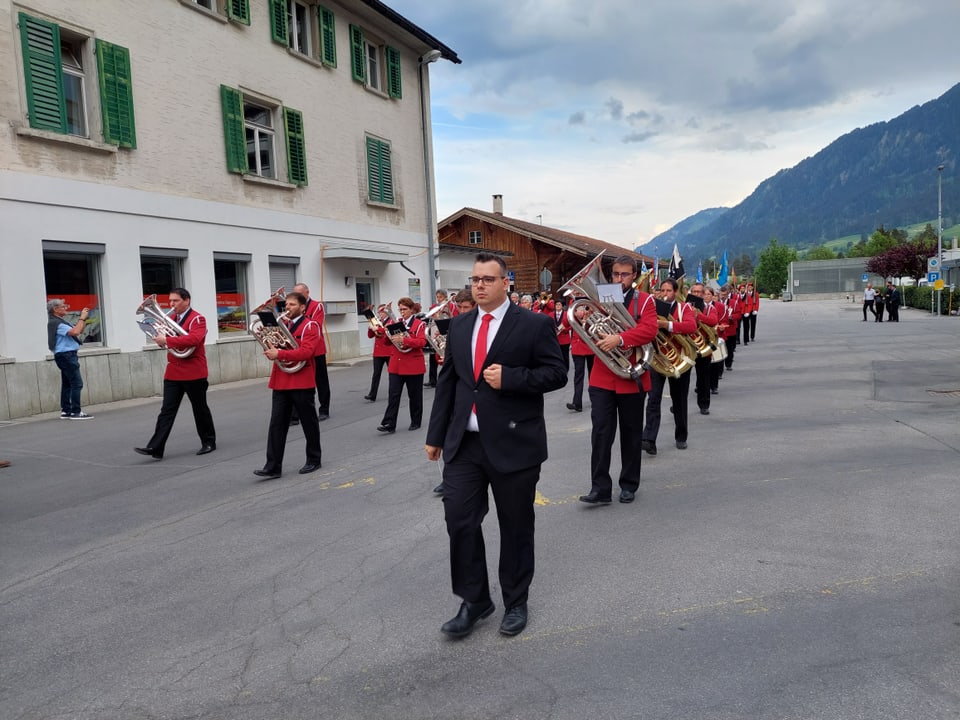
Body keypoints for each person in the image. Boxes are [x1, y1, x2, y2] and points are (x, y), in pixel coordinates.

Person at [425, 252, 567, 639]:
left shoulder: (534, 324)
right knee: (459, 521)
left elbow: (557, 373)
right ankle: (474, 600)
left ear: (507, 283)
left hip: (514, 441)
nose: (480, 285)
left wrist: (513, 378)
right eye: (475, 279)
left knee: (516, 526)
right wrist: (435, 436)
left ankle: (516, 601)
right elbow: (449, 382)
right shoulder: (458, 326)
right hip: (465, 444)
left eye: (488, 279)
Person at [579, 255, 658, 504]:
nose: (618, 279)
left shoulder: (644, 301)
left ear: (634, 276)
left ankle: (628, 484)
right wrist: (585, 321)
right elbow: (590, 334)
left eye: (624, 274)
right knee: (601, 434)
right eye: (615, 274)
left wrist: (620, 339)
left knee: (631, 434)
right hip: (602, 378)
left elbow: (650, 330)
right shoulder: (602, 299)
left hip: (631, 375)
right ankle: (600, 488)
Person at [135, 288, 216, 459]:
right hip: (173, 371)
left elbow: (194, 339)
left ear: (187, 301)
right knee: (166, 411)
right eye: (170, 301)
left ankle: (209, 442)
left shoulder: (197, 318)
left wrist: (168, 340)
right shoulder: (171, 318)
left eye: (176, 301)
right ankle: (155, 447)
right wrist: (160, 340)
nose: (171, 305)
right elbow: (166, 339)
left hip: (194, 371)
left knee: (199, 409)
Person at [253, 292, 323, 479]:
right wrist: (267, 343)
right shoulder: (282, 325)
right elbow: (277, 347)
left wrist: (280, 354)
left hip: (302, 379)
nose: (288, 308)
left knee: (308, 422)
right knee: (277, 424)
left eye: (292, 305)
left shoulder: (311, 325)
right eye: (287, 305)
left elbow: (307, 352)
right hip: (282, 379)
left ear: (302, 307)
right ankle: (273, 466)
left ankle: (314, 459)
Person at [642, 278, 698, 455]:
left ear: (675, 292)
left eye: (668, 291)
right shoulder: (652, 307)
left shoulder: (684, 308)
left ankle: (681, 436)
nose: (664, 294)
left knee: (679, 400)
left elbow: (691, 326)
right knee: (653, 399)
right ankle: (649, 439)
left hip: (680, 359)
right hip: (657, 359)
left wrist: (667, 324)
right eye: (662, 291)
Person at [377, 297, 427, 433]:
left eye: (405, 309)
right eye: (400, 310)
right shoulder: (396, 323)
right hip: (396, 365)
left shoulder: (419, 324)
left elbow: (422, 343)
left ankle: (415, 421)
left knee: (415, 396)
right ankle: (389, 423)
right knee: (393, 395)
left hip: (413, 365)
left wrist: (404, 339)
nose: (402, 312)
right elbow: (387, 344)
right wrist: (388, 334)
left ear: (411, 310)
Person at [46, 299, 93, 420]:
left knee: (67, 384)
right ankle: (76, 412)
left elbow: (80, 330)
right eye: (63, 306)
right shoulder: (57, 323)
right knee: (77, 383)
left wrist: (84, 319)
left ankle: (66, 410)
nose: (66, 308)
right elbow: (76, 331)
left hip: (65, 355)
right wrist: (81, 318)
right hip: (66, 355)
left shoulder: (59, 321)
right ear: (56, 309)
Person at [292, 283, 330, 420]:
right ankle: (296, 414)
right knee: (300, 381)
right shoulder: (294, 308)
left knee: (321, 380)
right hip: (300, 348)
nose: (296, 297)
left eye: (299, 294)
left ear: (307, 293)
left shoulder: (316, 306)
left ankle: (324, 409)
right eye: (295, 294)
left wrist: (299, 317)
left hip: (317, 349)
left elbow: (315, 326)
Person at [688, 282, 719, 415]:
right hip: (688, 346)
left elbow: (713, 321)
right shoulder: (685, 307)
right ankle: (678, 404)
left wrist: (698, 315)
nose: (697, 294)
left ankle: (704, 404)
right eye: (694, 292)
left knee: (703, 378)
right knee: (682, 379)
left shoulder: (710, 308)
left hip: (703, 347)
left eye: (700, 292)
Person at [563, 299, 594, 412]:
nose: (581, 311)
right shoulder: (573, 315)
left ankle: (595, 399)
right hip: (578, 349)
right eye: (578, 309)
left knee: (593, 376)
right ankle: (577, 403)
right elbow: (565, 322)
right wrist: (575, 314)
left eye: (582, 308)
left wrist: (588, 315)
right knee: (578, 377)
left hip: (591, 348)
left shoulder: (592, 314)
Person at [425, 290, 454, 388]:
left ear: (445, 297)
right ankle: (432, 380)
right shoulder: (435, 307)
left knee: (444, 357)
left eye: (440, 297)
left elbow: (452, 318)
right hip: (436, 333)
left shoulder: (451, 307)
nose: (438, 299)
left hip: (446, 334)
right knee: (433, 357)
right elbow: (431, 317)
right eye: (437, 297)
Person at [364, 304, 392, 402]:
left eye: (382, 312)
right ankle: (372, 394)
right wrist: (370, 327)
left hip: (389, 351)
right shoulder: (377, 322)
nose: (380, 314)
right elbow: (370, 336)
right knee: (376, 374)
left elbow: (387, 331)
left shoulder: (391, 321)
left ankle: (393, 393)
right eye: (379, 312)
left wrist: (378, 329)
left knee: (392, 374)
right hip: (378, 352)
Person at [554, 298, 571, 369]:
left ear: (562, 306)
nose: (557, 306)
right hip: (555, 339)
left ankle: (566, 369)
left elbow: (571, 325)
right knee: (556, 355)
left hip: (564, 339)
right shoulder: (551, 314)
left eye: (559, 304)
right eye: (556, 304)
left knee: (565, 356)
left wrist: (566, 329)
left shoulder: (567, 314)